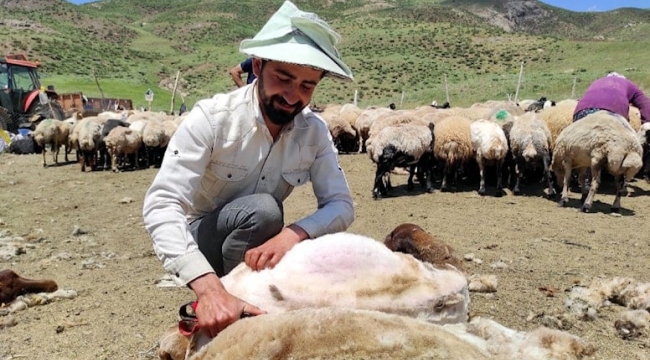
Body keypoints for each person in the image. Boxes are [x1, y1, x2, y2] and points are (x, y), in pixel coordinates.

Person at [143, 0, 355, 339]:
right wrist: (208, 286)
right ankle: (229, 300)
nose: (292, 96)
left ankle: (246, 300)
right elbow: (163, 203)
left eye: (307, 86)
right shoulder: (213, 118)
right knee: (264, 210)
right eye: (283, 78)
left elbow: (341, 204)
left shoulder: (313, 131)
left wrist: (293, 234)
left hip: (259, 244)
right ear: (257, 66)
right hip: (204, 241)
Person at [573, 72, 650, 125]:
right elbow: (645, 104)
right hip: (612, 114)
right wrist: (647, 124)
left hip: (582, 113)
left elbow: (583, 99)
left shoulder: (596, 82)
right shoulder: (629, 84)